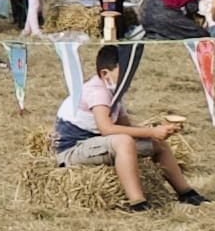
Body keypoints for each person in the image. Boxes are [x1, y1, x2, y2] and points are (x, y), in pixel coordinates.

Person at [52, 41, 198, 205]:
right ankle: (137, 201)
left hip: (96, 143)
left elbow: (126, 127)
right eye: (123, 73)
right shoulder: (98, 92)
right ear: (105, 73)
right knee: (124, 141)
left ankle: (186, 192)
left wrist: (160, 131)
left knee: (158, 144)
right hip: (73, 149)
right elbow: (107, 129)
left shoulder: (115, 93)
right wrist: (152, 132)